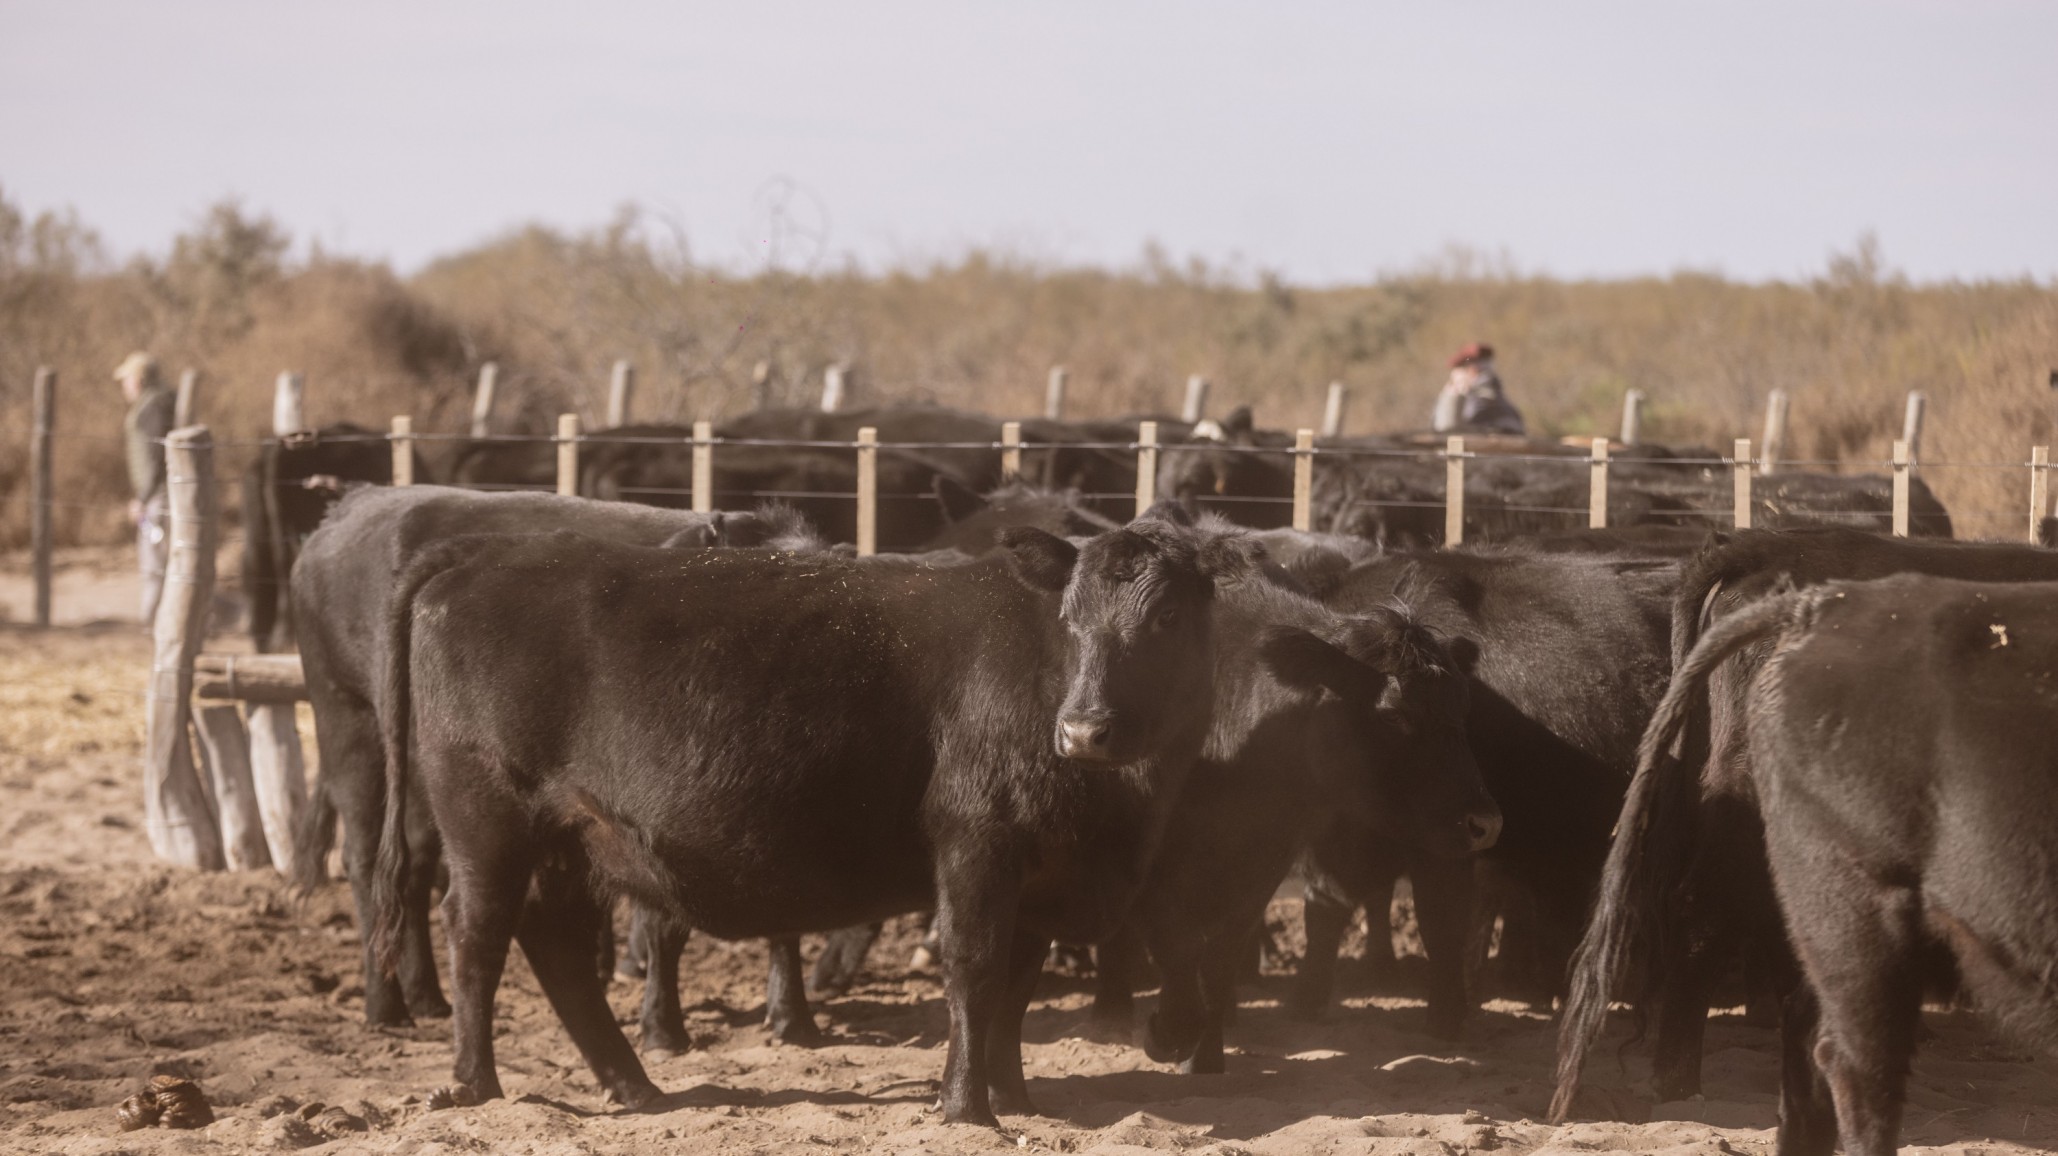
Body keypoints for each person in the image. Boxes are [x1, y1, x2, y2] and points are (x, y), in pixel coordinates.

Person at [117, 352, 175, 624]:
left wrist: (141, 498)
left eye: (126, 379)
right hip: (157, 494)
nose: (123, 385)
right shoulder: (155, 403)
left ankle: (151, 622)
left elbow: (153, 456)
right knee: (159, 558)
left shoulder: (151, 407)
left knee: (154, 561)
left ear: (138, 380)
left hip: (156, 497)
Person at [1431, 342, 1526, 436]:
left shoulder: (1475, 401)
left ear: (1472, 370)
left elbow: (1446, 432)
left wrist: (1453, 395)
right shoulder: (1504, 403)